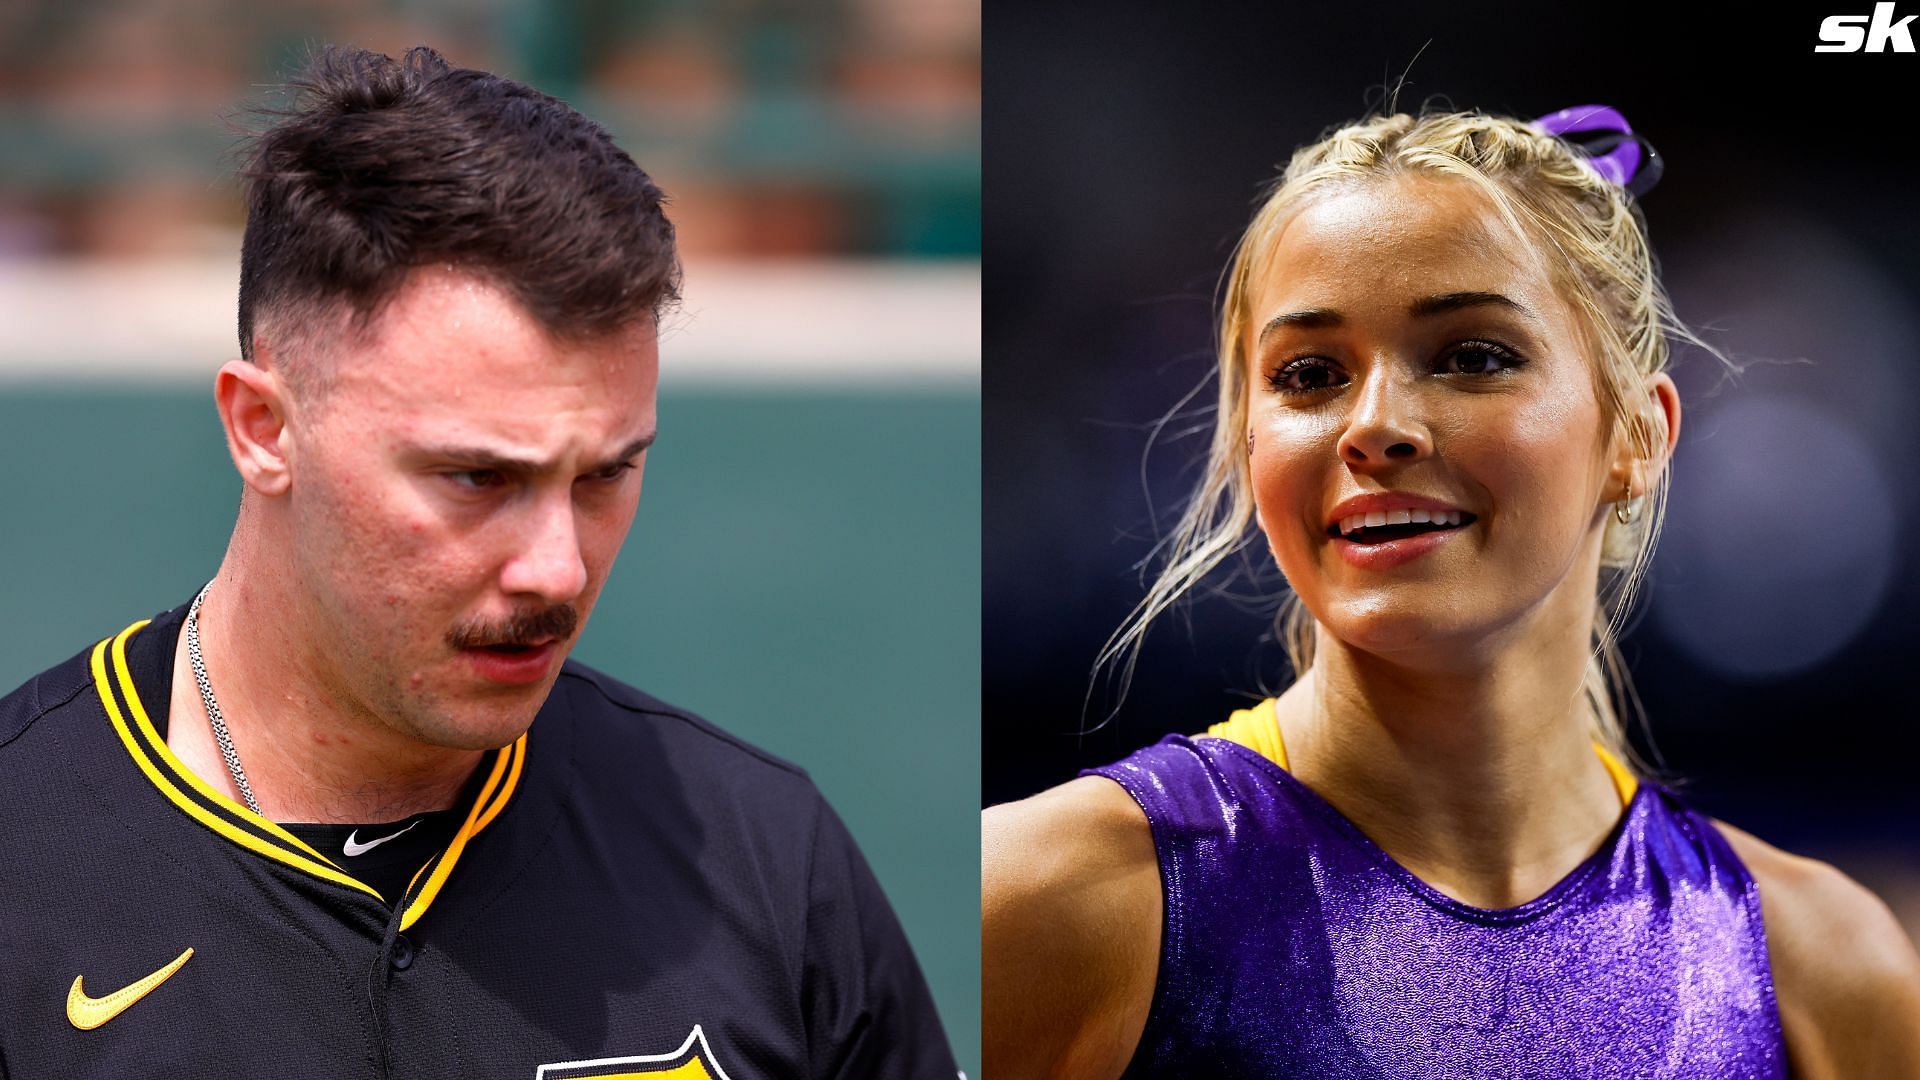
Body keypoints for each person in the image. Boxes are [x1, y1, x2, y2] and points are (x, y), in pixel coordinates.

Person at [0, 45, 957, 1079]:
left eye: (605, 476)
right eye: (475, 479)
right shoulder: (25, 859)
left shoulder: (766, 858)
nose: (557, 571)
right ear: (264, 428)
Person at [982, 104, 1920, 1078]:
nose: (1375, 425)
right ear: (1247, 446)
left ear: (1638, 434)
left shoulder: (1818, 967)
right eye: (1309, 374)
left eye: (1473, 357)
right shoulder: (1053, 903)